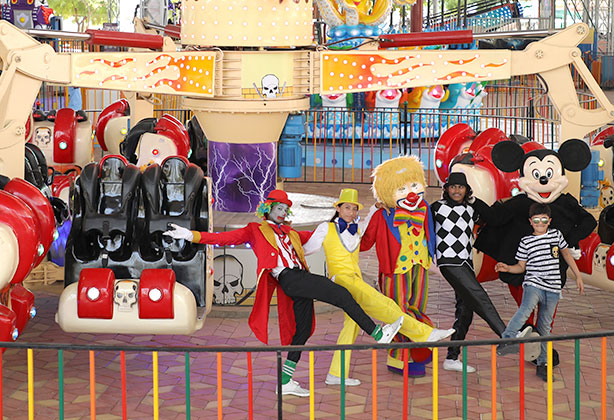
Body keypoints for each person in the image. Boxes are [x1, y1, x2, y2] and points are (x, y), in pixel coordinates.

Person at [168, 189, 402, 397]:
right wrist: (190, 235)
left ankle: (285, 381)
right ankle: (377, 333)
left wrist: (364, 214)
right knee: (341, 294)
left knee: (302, 331)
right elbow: (223, 238)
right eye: (278, 208)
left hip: (298, 279)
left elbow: (325, 236)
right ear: (267, 209)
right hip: (289, 278)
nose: (282, 213)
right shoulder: (255, 230)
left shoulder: (290, 233)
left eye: (285, 209)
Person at [302, 188, 454, 386]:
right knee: (382, 302)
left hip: (355, 278)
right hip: (341, 279)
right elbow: (307, 249)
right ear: (338, 208)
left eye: (354, 209)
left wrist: (376, 206)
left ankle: (336, 374)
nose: (351, 212)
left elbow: (369, 222)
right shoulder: (325, 228)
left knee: (352, 325)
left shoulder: (357, 228)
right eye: (347, 208)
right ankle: (424, 333)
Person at [360, 156, 438, 375]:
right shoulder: (382, 215)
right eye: (402, 189)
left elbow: (429, 233)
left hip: (420, 265)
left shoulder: (424, 208)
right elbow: (365, 242)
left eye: (414, 185)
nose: (411, 193)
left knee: (417, 307)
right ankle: (398, 358)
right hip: (394, 270)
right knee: (398, 313)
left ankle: (416, 348)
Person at [431, 172, 510, 373]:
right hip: (448, 261)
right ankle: (506, 335)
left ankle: (451, 357)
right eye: (453, 186)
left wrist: (474, 201)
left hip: (466, 262)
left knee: (466, 310)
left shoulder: (470, 208)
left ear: (467, 190)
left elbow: (493, 218)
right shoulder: (436, 207)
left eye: (461, 187)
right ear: (446, 189)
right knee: (479, 296)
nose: (457, 190)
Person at [496, 203, 585, 379]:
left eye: (544, 220)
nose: (540, 223)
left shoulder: (556, 235)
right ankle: (507, 339)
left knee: (545, 327)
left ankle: (543, 364)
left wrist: (578, 276)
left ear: (549, 221)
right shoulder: (526, 241)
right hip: (533, 284)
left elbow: (567, 254)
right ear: (531, 221)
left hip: (553, 288)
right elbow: (521, 267)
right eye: (536, 220)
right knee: (525, 309)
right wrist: (507, 268)